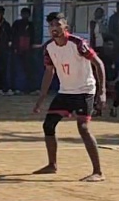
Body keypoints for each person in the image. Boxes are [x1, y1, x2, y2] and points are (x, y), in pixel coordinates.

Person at [32, 10, 107, 181]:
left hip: (85, 91)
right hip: (65, 92)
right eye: (51, 25)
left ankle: (98, 172)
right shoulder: (49, 48)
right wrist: (41, 99)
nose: (54, 28)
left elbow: (98, 64)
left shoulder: (78, 43)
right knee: (48, 125)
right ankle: (52, 165)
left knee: (83, 128)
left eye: (57, 24)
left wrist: (102, 92)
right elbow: (49, 73)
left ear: (65, 26)